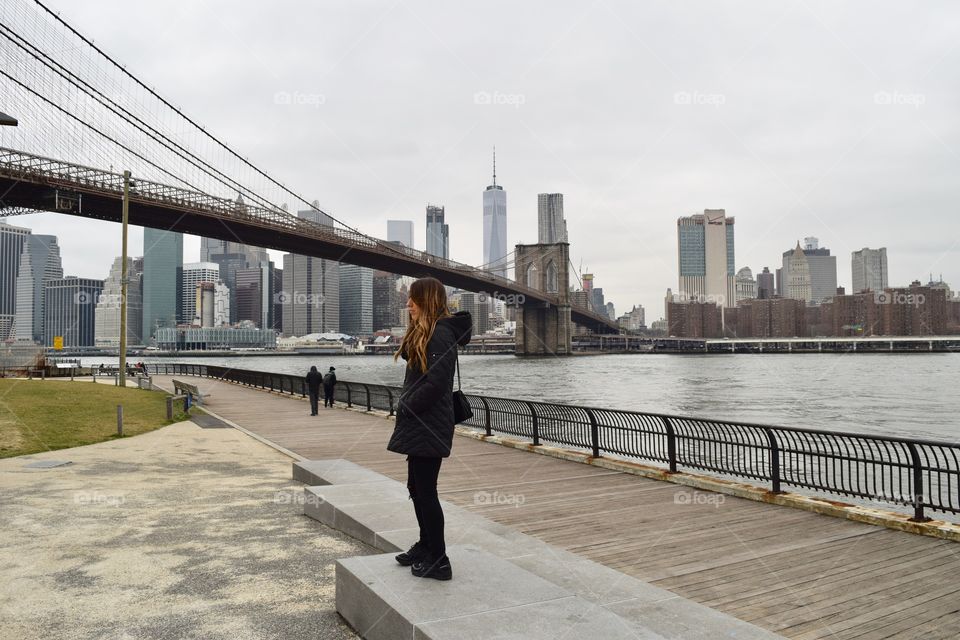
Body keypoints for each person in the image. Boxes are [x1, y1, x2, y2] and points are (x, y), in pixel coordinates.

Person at [387, 277, 471, 581]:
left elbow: (436, 384)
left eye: (413, 298)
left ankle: (439, 559)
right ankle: (426, 546)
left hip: (429, 423)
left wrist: (406, 405)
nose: (408, 303)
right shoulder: (429, 332)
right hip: (422, 423)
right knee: (416, 488)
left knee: (426, 491)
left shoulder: (440, 334)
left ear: (427, 300)